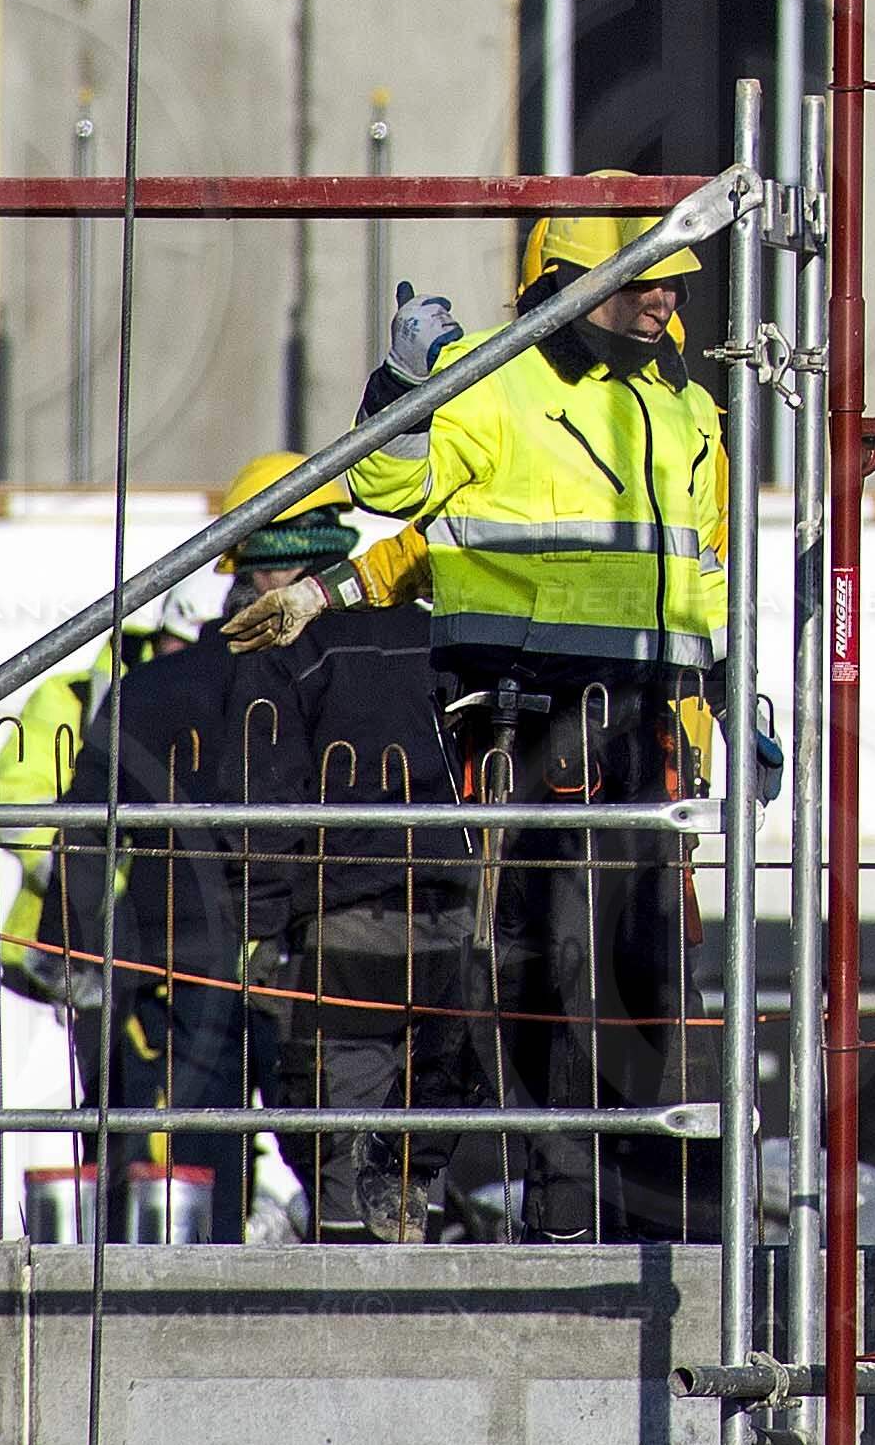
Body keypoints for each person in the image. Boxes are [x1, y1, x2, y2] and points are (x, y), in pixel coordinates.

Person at [243, 216, 730, 1240]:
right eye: (647, 280)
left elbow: (703, 571)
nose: (668, 301)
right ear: (566, 282)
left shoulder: (687, 410)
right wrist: (400, 383)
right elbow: (395, 493)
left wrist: (728, 702)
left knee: (632, 972)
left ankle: (594, 1203)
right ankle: (484, 1177)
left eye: (678, 285)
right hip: (520, 717)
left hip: (644, 725)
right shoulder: (491, 379)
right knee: (533, 960)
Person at [58, 454, 478, 1241]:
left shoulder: (190, 678)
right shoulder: (420, 647)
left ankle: (204, 1301)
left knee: (217, 1161)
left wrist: (78, 954)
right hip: (389, 933)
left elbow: (93, 830)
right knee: (381, 1156)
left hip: (215, 956)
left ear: (251, 564)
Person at [0, 607, 192, 1128]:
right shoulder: (70, 701)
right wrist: (93, 881)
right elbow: (14, 804)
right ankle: (118, 1206)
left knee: (206, 1123)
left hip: (200, 943)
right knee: (119, 1114)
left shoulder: (237, 690)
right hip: (93, 942)